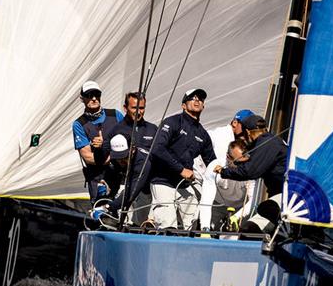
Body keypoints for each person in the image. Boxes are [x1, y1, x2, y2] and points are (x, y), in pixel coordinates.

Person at [149, 88, 216, 229]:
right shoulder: (172, 122)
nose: (197, 100)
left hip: (184, 185)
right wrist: (180, 169)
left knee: (195, 227)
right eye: (193, 98)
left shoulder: (203, 134)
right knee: (168, 228)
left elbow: (212, 162)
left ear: (203, 105)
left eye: (201, 99)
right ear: (183, 105)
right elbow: (157, 148)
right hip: (163, 182)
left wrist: (231, 171)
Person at [214, 114, 287, 233]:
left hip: (288, 198)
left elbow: (249, 171)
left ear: (248, 132)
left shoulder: (266, 143)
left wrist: (223, 171)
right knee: (264, 212)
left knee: (250, 229)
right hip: (284, 196)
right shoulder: (272, 140)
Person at [102, 92, 157, 223]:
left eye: (142, 108)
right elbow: (104, 158)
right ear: (125, 108)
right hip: (123, 185)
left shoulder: (153, 129)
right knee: (123, 226)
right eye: (134, 108)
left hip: (146, 189)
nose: (138, 112)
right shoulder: (116, 130)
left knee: (141, 226)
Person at [72, 81, 124, 201]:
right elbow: (88, 157)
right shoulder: (79, 124)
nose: (94, 98)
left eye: (97, 94)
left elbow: (129, 141)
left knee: (129, 215)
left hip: (121, 176)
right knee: (103, 216)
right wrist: (116, 155)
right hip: (98, 181)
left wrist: (105, 145)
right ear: (82, 98)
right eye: (90, 95)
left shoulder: (116, 115)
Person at [198, 139, 255, 231]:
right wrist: (205, 227)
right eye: (237, 162)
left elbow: (253, 200)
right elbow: (206, 200)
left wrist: (237, 217)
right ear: (228, 157)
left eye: (244, 162)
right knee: (206, 231)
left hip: (241, 208)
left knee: (236, 234)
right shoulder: (214, 167)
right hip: (217, 205)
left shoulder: (250, 169)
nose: (242, 166)